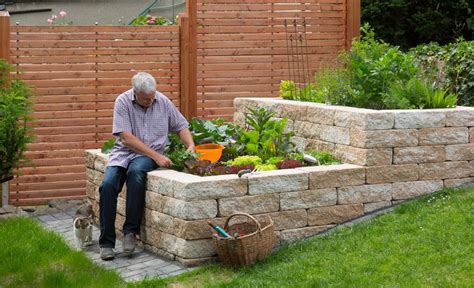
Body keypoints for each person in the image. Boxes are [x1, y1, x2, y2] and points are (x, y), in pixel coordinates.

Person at [98, 72, 195, 260]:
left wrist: (190, 145)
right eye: (145, 99)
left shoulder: (162, 101)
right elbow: (125, 138)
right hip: (124, 154)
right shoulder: (123, 102)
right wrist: (157, 156)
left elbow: (181, 125)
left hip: (145, 157)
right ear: (135, 92)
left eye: (152, 97)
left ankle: (130, 233)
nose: (150, 101)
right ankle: (106, 243)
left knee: (136, 173)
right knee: (107, 186)